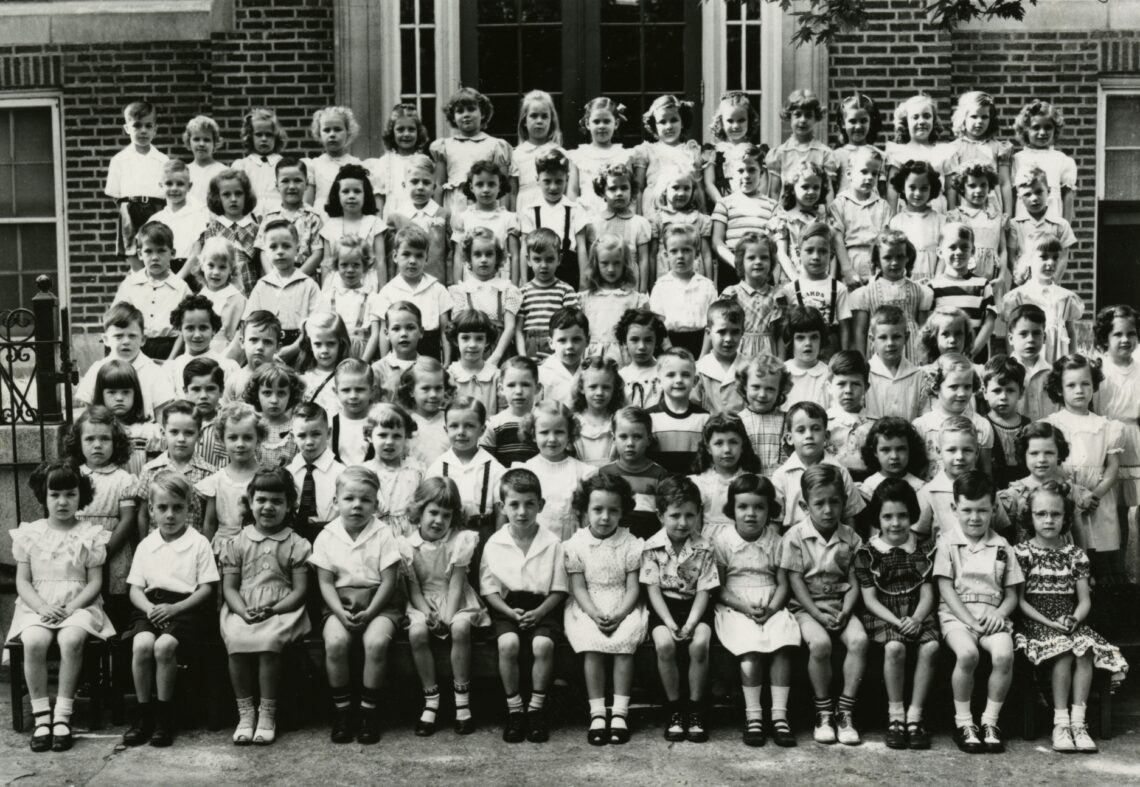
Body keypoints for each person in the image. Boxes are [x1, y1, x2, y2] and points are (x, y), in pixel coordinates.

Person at [1013, 481, 1129, 753]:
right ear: (1030, 516)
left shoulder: (1074, 555)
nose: (1048, 520)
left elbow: (1084, 599)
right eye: (1041, 514)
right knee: (1064, 652)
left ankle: (1079, 722)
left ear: (1065, 517)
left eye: (1055, 514)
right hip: (1036, 622)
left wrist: (1074, 618)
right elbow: (1019, 601)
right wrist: (1048, 622)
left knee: (1084, 650)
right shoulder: (1022, 553)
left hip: (1068, 619)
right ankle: (1060, 723)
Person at [7, 463, 115, 753]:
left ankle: (63, 715)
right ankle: (42, 716)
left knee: (71, 639)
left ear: (82, 496)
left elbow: (95, 582)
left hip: (79, 606)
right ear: (44, 496)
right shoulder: (30, 533)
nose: (63, 502)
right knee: (33, 640)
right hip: (37, 606)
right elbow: (22, 581)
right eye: (55, 495)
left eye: (70, 494)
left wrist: (70, 608)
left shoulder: (90, 535)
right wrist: (42, 607)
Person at [122, 472, 219, 748]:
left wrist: (175, 608)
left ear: (189, 509)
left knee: (164, 646)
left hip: (186, 609)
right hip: (151, 607)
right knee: (142, 645)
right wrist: (150, 608)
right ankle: (144, 715)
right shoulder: (146, 545)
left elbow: (206, 589)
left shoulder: (198, 543)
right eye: (162, 507)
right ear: (151, 510)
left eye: (178, 507)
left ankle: (164, 718)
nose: (170, 515)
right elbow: (135, 589)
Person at [219, 467, 312, 746]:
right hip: (243, 608)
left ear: (289, 505)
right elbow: (230, 588)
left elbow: (300, 591)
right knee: (236, 639)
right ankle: (246, 713)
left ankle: (268, 714)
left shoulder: (296, 543)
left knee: (269, 641)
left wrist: (274, 609)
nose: (268, 507)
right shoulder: (237, 542)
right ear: (250, 502)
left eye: (277, 501)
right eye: (261, 500)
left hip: (283, 610)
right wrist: (242, 611)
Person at [310, 466, 402, 745]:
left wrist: (371, 612)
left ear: (376, 504)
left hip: (379, 603)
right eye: (349, 498)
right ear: (336, 501)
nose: (357, 505)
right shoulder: (327, 535)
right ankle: (343, 713)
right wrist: (339, 613)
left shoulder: (383, 533)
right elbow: (325, 583)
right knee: (335, 643)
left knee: (376, 643)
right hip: (339, 603)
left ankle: (368, 713)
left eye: (365, 499)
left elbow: (389, 581)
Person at [934, 471, 1022, 754]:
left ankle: (990, 722)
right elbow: (945, 588)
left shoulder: (1002, 546)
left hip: (991, 615)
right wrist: (969, 620)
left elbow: (1012, 594)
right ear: (954, 508)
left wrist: (1000, 614)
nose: (974, 518)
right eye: (967, 510)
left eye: (982, 510)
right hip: (957, 616)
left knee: (1004, 654)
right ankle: (964, 723)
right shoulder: (947, 543)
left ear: (993, 508)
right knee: (967, 654)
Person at [780, 464, 868, 746]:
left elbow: (855, 580)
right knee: (820, 645)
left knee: (859, 641)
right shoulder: (795, 537)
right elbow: (795, 582)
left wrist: (846, 610)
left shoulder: (851, 537)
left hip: (841, 604)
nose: (828, 510)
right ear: (805, 506)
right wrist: (817, 613)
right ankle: (824, 711)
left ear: (844, 502)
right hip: (807, 607)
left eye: (835, 502)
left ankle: (846, 711)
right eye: (819, 503)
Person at [480, 469, 568, 743]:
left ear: (540, 505)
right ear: (502, 507)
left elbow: (559, 589)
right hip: (506, 607)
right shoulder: (495, 543)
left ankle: (536, 710)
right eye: (514, 504)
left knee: (542, 645)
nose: (522, 512)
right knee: (508, 644)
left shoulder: (552, 543)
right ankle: (515, 710)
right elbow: (489, 589)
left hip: (543, 607)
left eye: (530, 504)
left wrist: (540, 612)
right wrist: (508, 612)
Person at [400, 478, 490, 736]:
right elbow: (414, 590)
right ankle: (431, 701)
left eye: (446, 515)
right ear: (419, 511)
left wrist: (447, 619)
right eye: (433, 512)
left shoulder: (460, 541)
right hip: (423, 602)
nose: (439, 520)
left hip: (455, 600)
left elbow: (456, 585)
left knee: (460, 628)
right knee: (417, 632)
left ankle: (462, 703)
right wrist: (429, 615)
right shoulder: (406, 545)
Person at [563, 473, 649, 746]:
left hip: (623, 603)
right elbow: (578, 587)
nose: (605, 517)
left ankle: (620, 712)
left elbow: (633, 588)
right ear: (585, 509)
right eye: (597, 509)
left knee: (624, 643)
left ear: (623, 511)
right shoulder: (576, 544)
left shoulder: (631, 543)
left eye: (613, 510)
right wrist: (593, 613)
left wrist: (621, 614)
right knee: (593, 644)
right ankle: (598, 712)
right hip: (588, 605)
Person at [853, 480, 939, 750]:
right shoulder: (868, 553)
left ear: (912, 515)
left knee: (931, 646)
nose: (895, 523)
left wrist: (916, 618)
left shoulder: (924, 549)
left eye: (902, 515)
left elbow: (927, 593)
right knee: (894, 647)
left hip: (916, 612)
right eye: (887, 516)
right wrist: (898, 622)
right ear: (878, 519)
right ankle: (896, 716)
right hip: (884, 615)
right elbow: (869, 600)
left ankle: (915, 716)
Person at [640, 476, 719, 743]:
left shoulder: (705, 547)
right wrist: (670, 622)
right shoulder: (651, 547)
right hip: (664, 607)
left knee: (699, 644)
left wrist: (691, 623)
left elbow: (705, 590)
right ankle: (674, 709)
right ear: (660, 515)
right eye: (675, 515)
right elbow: (652, 589)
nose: (683, 523)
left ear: (699, 514)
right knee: (664, 644)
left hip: (696, 606)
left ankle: (695, 710)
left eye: (690, 515)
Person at [105, 100, 167, 272]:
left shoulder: (162, 160)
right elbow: (115, 194)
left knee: (156, 252)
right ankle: (139, 280)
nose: (143, 131)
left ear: (155, 129)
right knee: (133, 254)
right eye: (137, 126)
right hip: (130, 211)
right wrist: (129, 209)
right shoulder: (119, 160)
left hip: (156, 211)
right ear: (127, 128)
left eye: (148, 126)